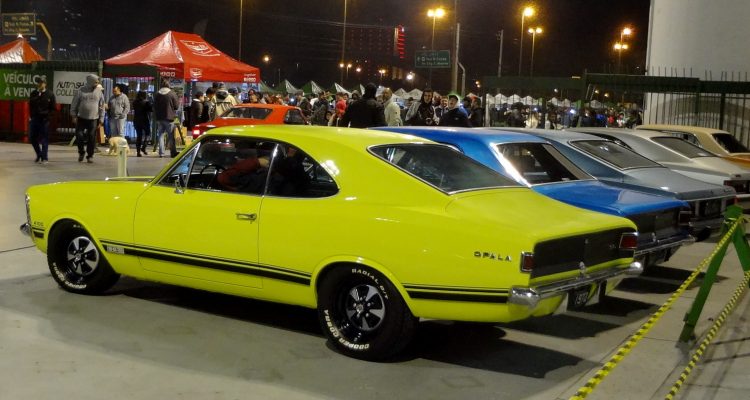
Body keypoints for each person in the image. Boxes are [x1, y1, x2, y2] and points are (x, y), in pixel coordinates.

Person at [70, 74, 105, 163]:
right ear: (90, 81)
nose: (97, 84)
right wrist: (74, 115)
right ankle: (81, 152)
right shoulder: (80, 91)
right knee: (79, 136)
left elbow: (102, 106)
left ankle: (90, 156)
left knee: (91, 137)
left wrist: (101, 119)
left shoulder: (99, 92)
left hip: (94, 119)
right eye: (96, 82)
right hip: (81, 118)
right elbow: (74, 103)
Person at [28, 75, 56, 164]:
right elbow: (31, 103)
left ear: (45, 84)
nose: (40, 84)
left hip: (44, 119)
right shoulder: (34, 93)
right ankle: (39, 154)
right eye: (39, 83)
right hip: (35, 118)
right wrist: (39, 95)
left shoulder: (50, 94)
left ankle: (44, 158)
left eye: (42, 83)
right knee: (32, 137)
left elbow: (53, 108)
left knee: (44, 138)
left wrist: (48, 117)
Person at [154, 78, 179, 158]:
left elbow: (154, 106)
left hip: (159, 118)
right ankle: (173, 152)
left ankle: (161, 153)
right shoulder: (172, 94)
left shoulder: (157, 94)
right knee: (171, 136)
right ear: (168, 85)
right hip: (169, 118)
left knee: (160, 135)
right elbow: (176, 106)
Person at [132, 91, 152, 157]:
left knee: (139, 136)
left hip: (136, 120)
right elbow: (151, 109)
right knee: (148, 134)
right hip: (145, 120)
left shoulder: (134, 102)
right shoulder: (146, 102)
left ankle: (138, 152)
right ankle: (144, 147)